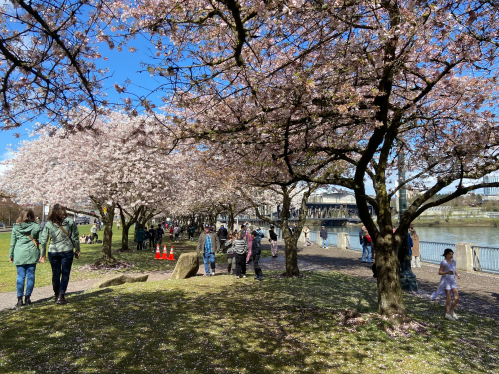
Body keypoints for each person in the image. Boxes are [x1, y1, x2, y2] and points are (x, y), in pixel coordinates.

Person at [40, 204, 80, 305]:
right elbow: (75, 237)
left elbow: (43, 240)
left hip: (53, 251)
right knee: (65, 273)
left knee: (56, 273)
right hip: (67, 250)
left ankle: (57, 294)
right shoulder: (70, 222)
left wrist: (43, 254)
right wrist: (78, 250)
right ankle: (61, 295)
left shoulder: (49, 224)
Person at [9, 209, 41, 307]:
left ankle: (19, 300)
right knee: (30, 276)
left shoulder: (16, 228)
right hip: (32, 253)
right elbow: (40, 240)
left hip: (19, 253)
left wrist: (11, 255)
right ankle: (27, 298)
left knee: (20, 276)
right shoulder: (36, 227)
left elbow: (12, 243)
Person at [431, 248, 460, 321]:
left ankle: (452, 310)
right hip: (445, 281)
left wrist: (457, 274)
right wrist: (447, 272)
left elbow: (453, 269)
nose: (451, 255)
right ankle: (448, 314)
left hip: (452, 281)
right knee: (449, 298)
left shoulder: (453, 262)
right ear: (446, 255)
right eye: (449, 254)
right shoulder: (443, 262)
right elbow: (439, 272)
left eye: (452, 254)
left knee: (456, 297)